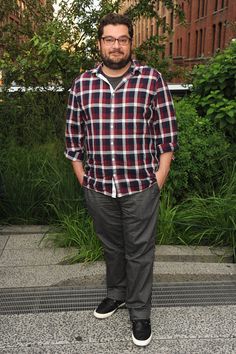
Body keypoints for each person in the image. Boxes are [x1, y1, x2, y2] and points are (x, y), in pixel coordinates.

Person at [65, 13, 178, 347]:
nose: (116, 46)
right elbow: (74, 139)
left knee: (140, 251)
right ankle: (116, 294)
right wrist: (83, 180)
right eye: (109, 39)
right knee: (112, 246)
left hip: (141, 186)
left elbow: (167, 135)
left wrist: (158, 178)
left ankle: (140, 313)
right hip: (98, 187)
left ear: (131, 42)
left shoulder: (151, 80)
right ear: (100, 43)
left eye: (122, 39)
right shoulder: (82, 85)